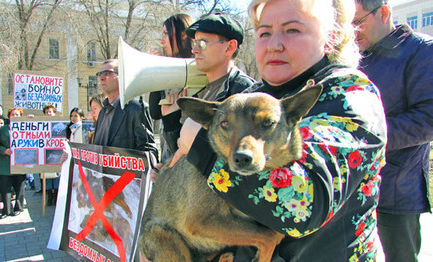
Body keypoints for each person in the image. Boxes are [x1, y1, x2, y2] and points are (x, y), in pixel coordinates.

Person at [165, 0, 387, 261]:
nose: (273, 45)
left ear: (330, 38)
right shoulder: (251, 97)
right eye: (264, 33)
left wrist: (203, 146)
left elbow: (304, 207)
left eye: (292, 30)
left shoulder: (350, 95)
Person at [353, 1, 433, 261]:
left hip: (395, 194)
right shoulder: (353, 56)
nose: (352, 32)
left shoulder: (421, 51)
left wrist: (365, 138)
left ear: (384, 13)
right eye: (346, 25)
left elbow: (428, 119)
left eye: (358, 22)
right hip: (351, 189)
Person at [165, 13, 258, 168]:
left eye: (202, 43)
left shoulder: (244, 92)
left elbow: (241, 161)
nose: (194, 50)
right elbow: (182, 149)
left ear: (229, 47)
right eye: (193, 42)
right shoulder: (199, 90)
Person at [148, 13, 194, 162]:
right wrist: (157, 72)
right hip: (169, 156)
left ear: (182, 35)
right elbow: (155, 113)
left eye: (166, 34)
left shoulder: (196, 70)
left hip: (187, 159)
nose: (162, 41)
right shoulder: (168, 70)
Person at [92, 59, 158, 159]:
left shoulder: (136, 108)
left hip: (127, 174)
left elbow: (148, 151)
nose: (101, 78)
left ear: (122, 76)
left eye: (107, 73)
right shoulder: (102, 113)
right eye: (100, 74)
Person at [0, 108, 27, 217]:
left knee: (19, 186)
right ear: (9, 117)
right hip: (6, 163)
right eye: (12, 114)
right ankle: (6, 210)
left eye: (17, 114)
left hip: (20, 162)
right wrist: (4, 150)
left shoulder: (26, 127)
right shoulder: (3, 129)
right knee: (5, 187)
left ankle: (18, 207)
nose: (15, 116)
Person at [42, 104, 60, 206]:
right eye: (47, 112)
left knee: (56, 176)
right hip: (46, 154)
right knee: (47, 177)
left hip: (57, 153)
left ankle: (57, 196)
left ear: (54, 113)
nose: (48, 113)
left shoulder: (59, 124)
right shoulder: (41, 124)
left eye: (50, 112)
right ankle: (49, 197)